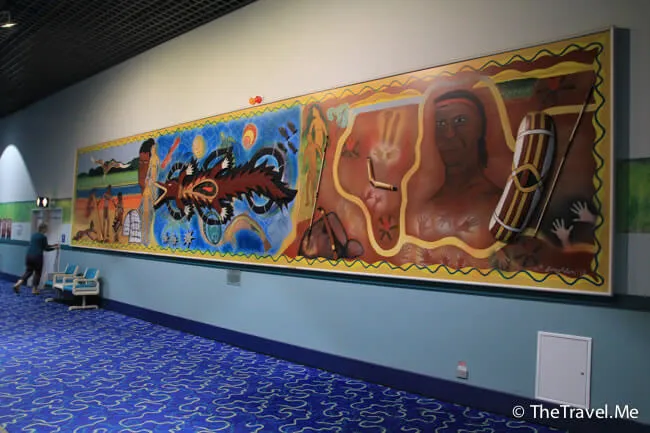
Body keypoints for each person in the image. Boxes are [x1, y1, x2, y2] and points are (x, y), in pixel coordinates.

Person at [13, 222, 60, 295]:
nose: (47, 230)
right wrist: (55, 248)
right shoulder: (43, 237)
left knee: (28, 271)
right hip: (37, 256)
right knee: (38, 273)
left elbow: (41, 245)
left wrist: (53, 245)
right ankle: (34, 290)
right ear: (43, 229)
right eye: (46, 228)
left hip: (29, 255)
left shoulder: (34, 235)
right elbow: (46, 248)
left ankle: (18, 283)